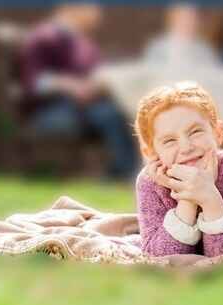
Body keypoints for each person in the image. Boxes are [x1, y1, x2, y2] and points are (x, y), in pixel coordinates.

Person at [134, 81, 223, 257]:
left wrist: (209, 199)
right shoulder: (150, 182)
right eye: (169, 141)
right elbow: (159, 257)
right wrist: (188, 199)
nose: (186, 147)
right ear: (150, 152)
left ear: (218, 133)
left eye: (195, 132)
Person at [16, 4, 137, 178]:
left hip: (86, 106)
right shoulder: (43, 37)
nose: (97, 13)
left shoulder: (84, 44)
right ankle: (49, 173)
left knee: (113, 114)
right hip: (48, 109)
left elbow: (95, 76)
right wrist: (69, 86)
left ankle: (122, 172)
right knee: (88, 117)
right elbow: (34, 82)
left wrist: (96, 87)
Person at [144, 4, 218, 67]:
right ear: (173, 18)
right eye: (184, 18)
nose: (188, 23)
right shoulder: (158, 47)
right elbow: (148, 76)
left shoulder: (204, 49)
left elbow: (214, 75)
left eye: (192, 18)